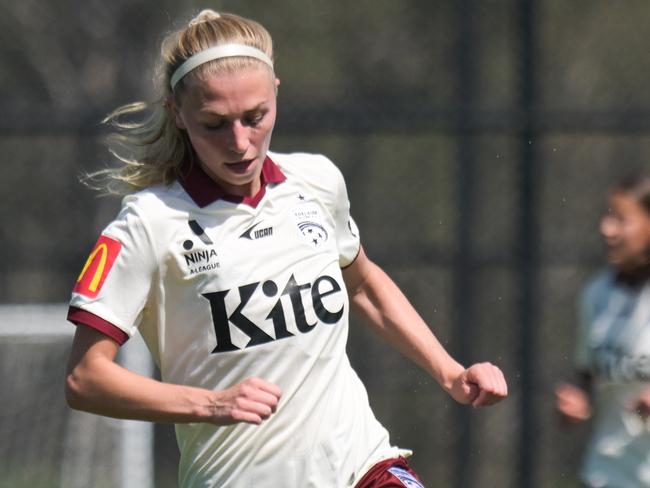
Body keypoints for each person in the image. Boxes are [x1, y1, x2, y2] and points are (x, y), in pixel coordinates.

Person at [64, 9, 508, 488]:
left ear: (276, 89)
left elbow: (360, 284)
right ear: (177, 113)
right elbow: (86, 378)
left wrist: (449, 372)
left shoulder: (316, 181)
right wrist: (211, 403)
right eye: (214, 123)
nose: (240, 142)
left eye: (255, 118)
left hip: (362, 464)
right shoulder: (148, 224)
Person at [555, 174, 650, 488]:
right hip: (607, 473)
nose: (606, 229)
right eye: (608, 216)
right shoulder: (597, 293)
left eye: (621, 219)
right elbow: (588, 374)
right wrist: (579, 401)